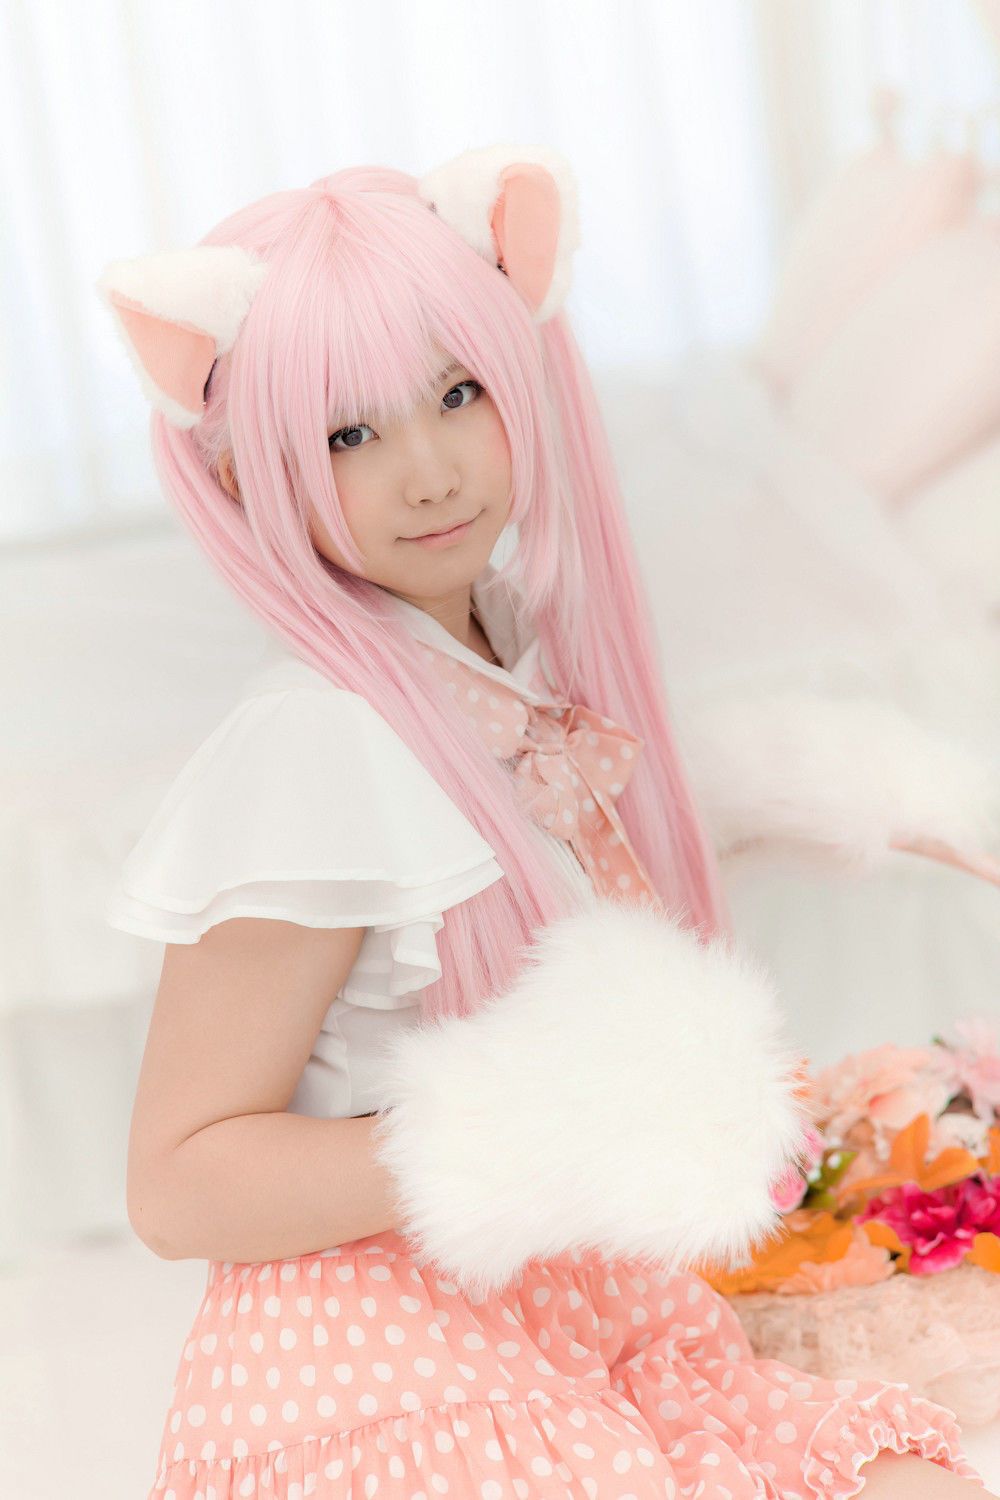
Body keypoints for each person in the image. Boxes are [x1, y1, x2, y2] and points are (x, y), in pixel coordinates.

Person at [97, 145, 992, 1499]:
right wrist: (541, 1128)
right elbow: (178, 1184)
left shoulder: (502, 662)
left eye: (459, 394)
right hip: (381, 1357)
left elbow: (521, 864)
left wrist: (806, 790)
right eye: (347, 436)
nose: (428, 472)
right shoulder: (310, 746)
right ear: (246, 471)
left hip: (590, 1309)